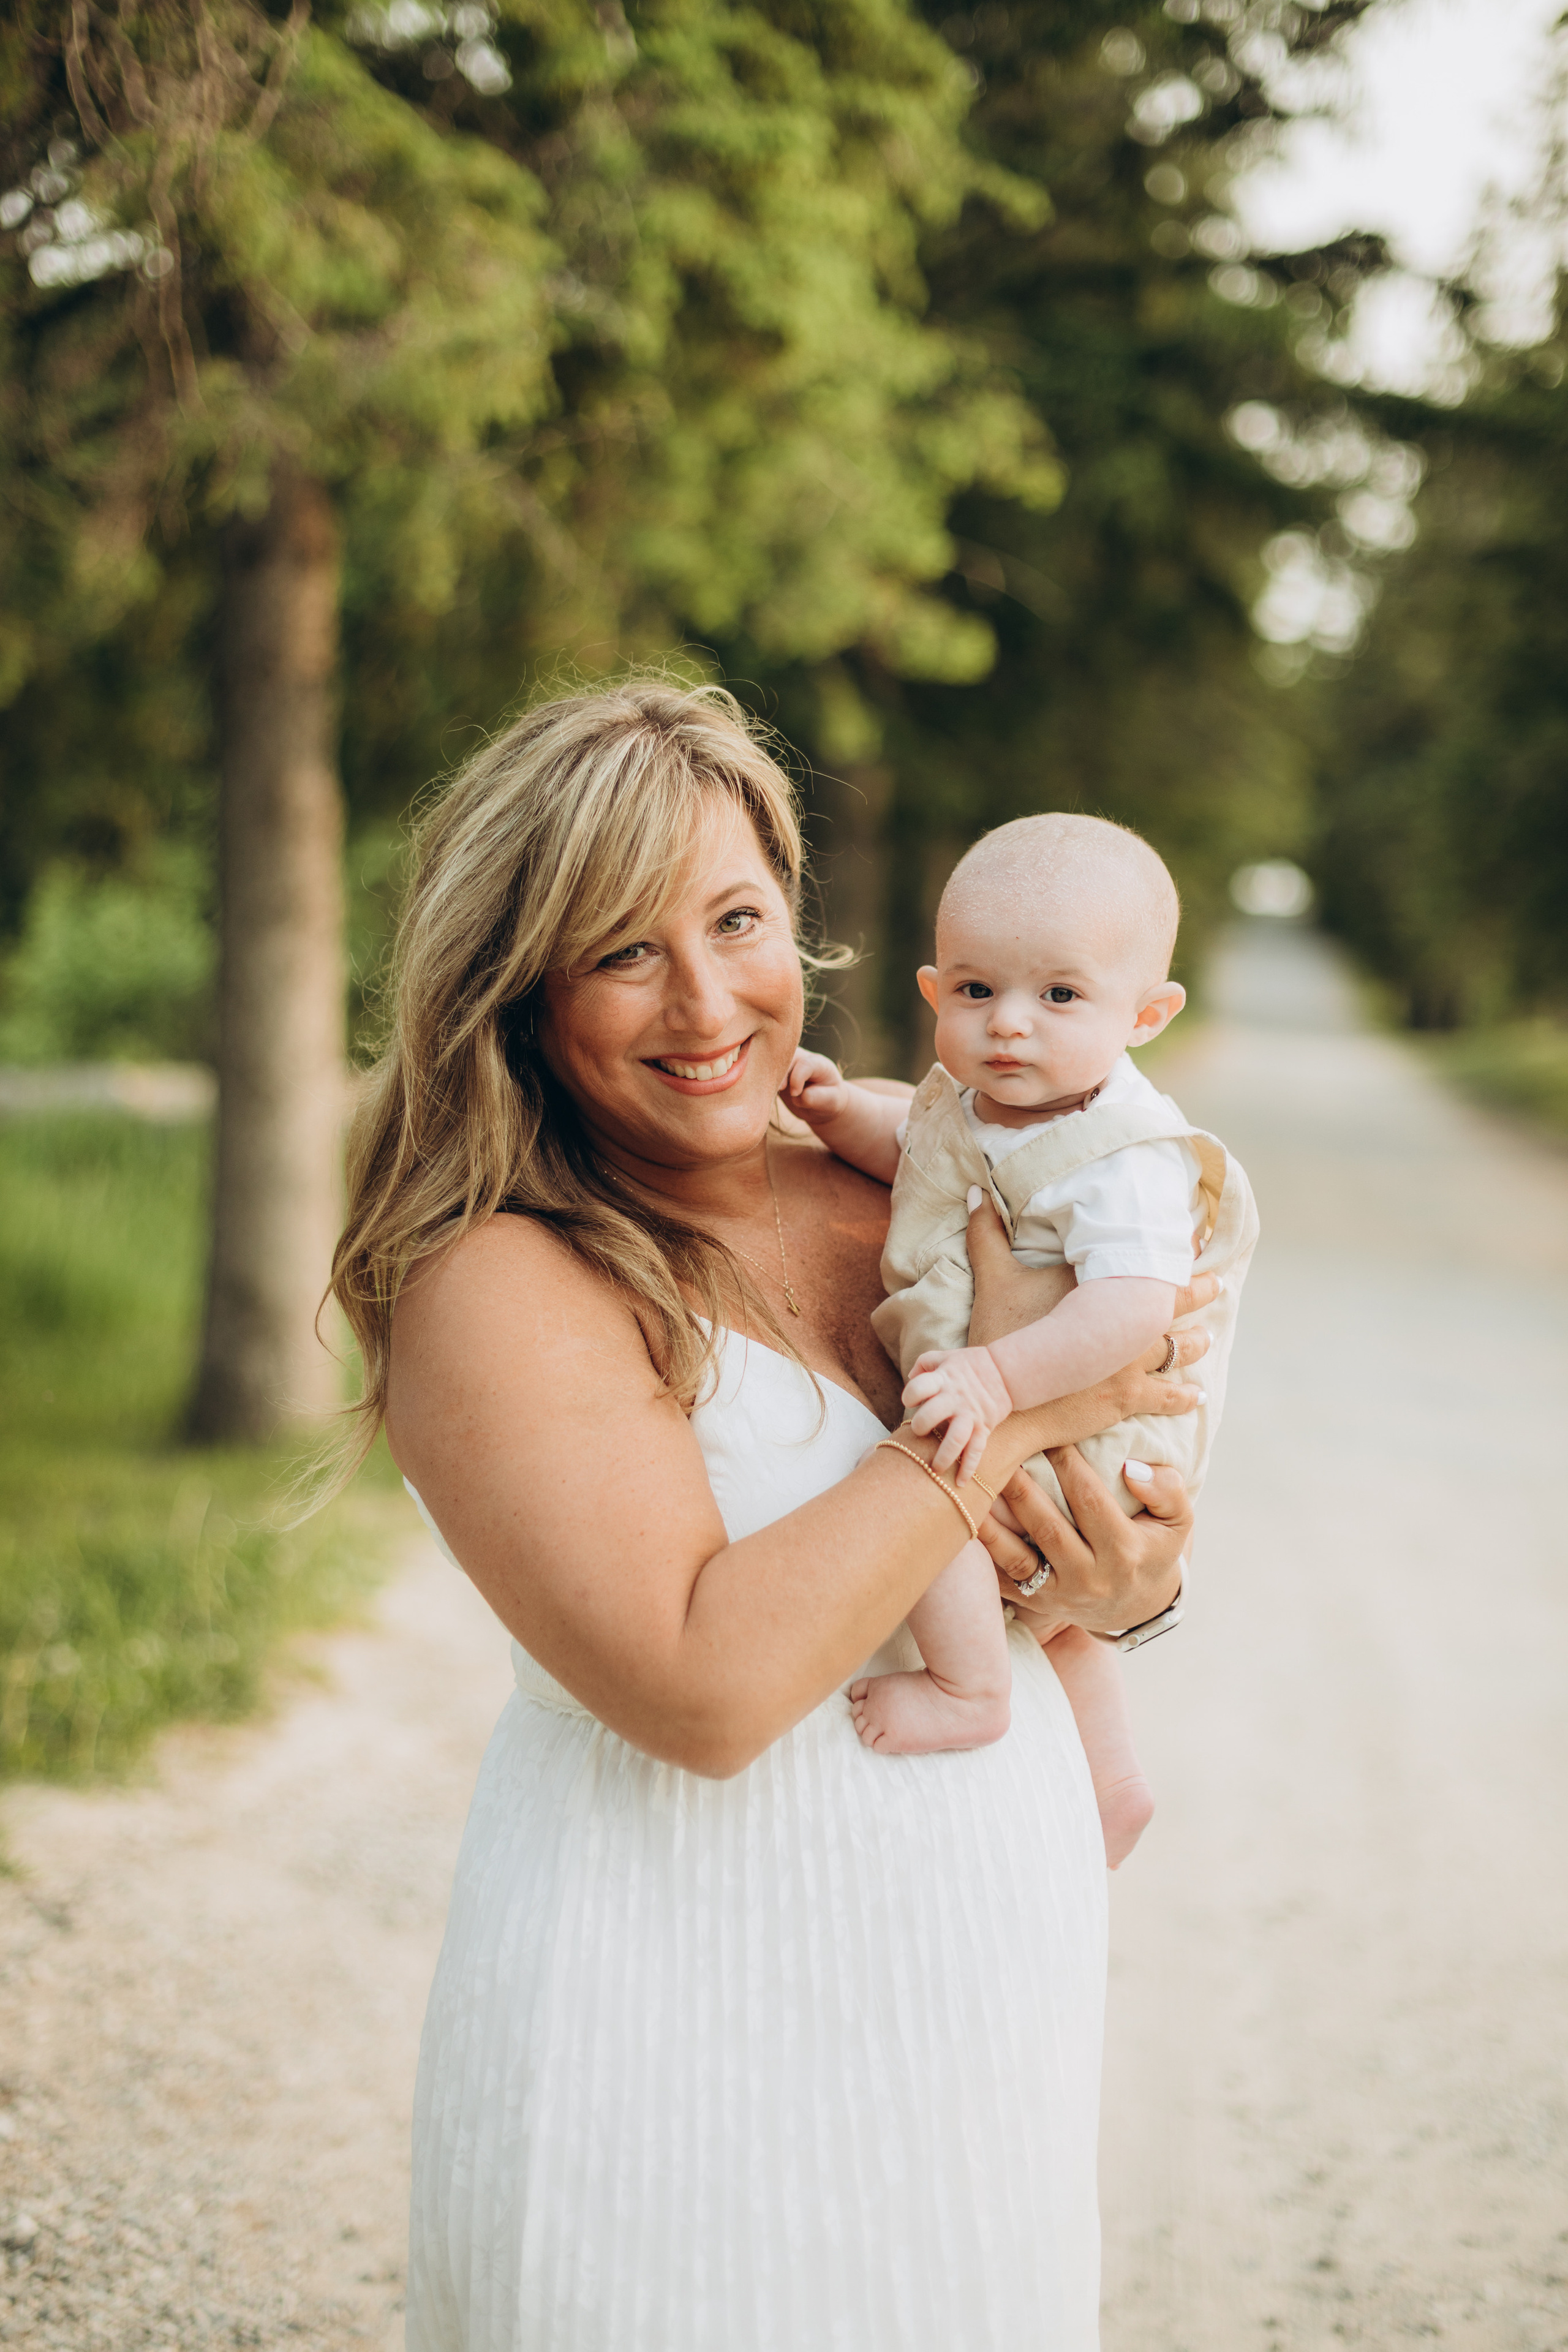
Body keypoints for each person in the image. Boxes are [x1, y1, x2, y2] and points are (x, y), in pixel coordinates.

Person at [330, 681, 1212, 2352]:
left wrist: (1134, 1582)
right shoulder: (499, 1272)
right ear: (520, 987)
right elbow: (704, 1688)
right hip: (679, 2045)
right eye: (621, 949)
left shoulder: (909, 1159)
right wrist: (1024, 1406)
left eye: (736, 919)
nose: (708, 1000)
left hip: (979, 2059)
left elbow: (1107, 1463)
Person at [782, 815, 1257, 1868]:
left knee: (928, 1492)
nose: (1009, 1026)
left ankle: (969, 1689)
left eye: (1060, 996)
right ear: (932, 991)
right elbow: (914, 1152)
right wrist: (834, 1115)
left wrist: (997, 1376)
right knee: (1065, 1618)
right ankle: (1117, 1781)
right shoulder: (976, 1105)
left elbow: (1134, 1306)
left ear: (1146, 1014)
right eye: (976, 990)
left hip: (1070, 1405)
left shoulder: (1124, 1153)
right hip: (1031, 1398)